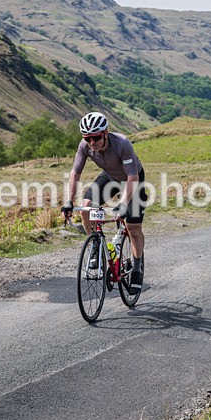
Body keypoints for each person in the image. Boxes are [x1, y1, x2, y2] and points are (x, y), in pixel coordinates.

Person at [61, 112, 148, 292]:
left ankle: (137, 268)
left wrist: (123, 204)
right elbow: (75, 173)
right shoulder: (84, 146)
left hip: (132, 179)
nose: (92, 142)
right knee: (86, 207)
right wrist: (69, 201)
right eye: (88, 138)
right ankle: (95, 245)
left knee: (133, 228)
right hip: (109, 177)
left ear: (105, 133)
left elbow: (132, 177)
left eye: (96, 137)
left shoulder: (122, 144)